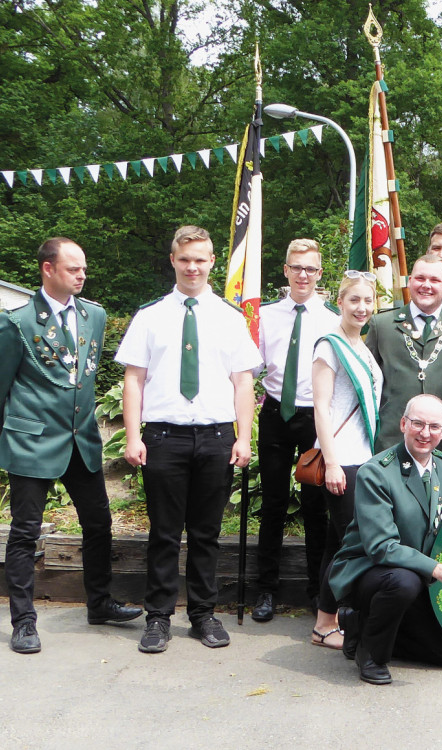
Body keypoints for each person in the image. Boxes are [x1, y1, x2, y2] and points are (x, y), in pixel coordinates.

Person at [117, 225, 261, 654]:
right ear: (173, 261)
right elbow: (133, 380)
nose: (193, 267)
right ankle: (158, 617)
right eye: (185, 259)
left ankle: (203, 614)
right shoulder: (150, 316)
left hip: (217, 437)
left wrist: (243, 438)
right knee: (163, 532)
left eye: (200, 259)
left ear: (212, 261)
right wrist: (132, 435)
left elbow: (243, 384)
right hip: (164, 437)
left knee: (206, 533)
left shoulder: (231, 318)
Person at [0, 238, 142, 654]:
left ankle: (99, 603)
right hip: (33, 440)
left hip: (81, 439)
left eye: (84, 269)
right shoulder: (18, 322)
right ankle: (24, 621)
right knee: (26, 533)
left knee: (98, 523)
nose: (82, 275)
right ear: (47, 269)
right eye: (73, 269)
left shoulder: (93, 315)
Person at [328, 395, 442, 685]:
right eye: (418, 424)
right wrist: (436, 569)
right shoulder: (376, 472)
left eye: (434, 426)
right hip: (369, 572)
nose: (425, 433)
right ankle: (371, 656)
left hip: (418, 573)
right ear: (403, 424)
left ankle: (359, 628)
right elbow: (381, 547)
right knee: (403, 582)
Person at [251, 238, 340, 623]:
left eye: (311, 269)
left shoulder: (333, 318)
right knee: (271, 505)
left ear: (320, 275)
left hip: (315, 417)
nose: (303, 275)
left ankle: (315, 589)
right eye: (296, 267)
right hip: (274, 413)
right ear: (285, 270)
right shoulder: (265, 316)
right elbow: (249, 368)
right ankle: (265, 590)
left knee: (315, 507)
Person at [308, 271, 383, 650]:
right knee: (350, 544)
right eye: (354, 300)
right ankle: (328, 621)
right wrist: (332, 462)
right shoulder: (330, 346)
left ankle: (326, 620)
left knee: (335, 543)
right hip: (342, 460)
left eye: (368, 301)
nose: (362, 307)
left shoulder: (363, 347)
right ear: (340, 302)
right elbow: (320, 408)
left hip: (363, 458)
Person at [365, 253, 442, 454]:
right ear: (410, 281)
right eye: (420, 278)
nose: (426, 285)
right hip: (390, 442)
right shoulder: (382, 325)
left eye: (435, 280)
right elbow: (367, 386)